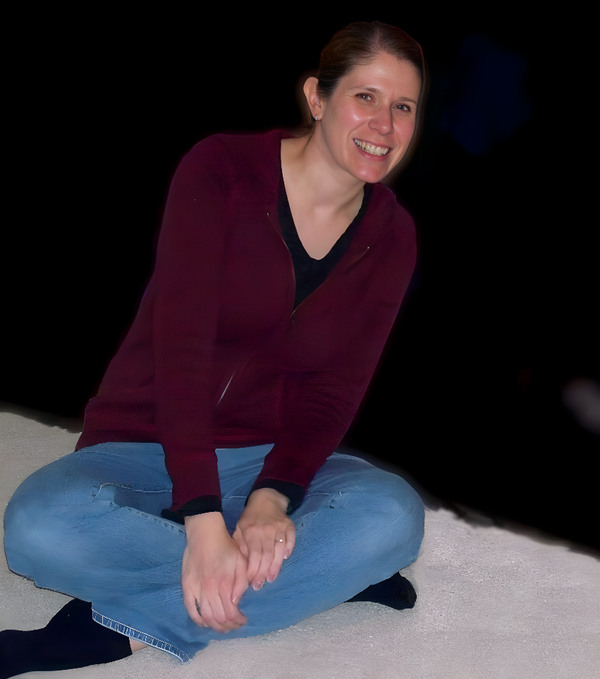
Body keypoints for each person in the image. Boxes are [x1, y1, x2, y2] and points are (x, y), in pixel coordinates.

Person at [1, 20, 427, 676]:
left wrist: (271, 499)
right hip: (145, 445)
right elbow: (181, 352)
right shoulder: (222, 170)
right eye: (365, 97)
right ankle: (319, 576)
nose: (384, 124)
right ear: (317, 97)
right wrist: (202, 518)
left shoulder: (393, 236)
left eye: (403, 106)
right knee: (37, 528)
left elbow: (336, 390)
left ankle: (111, 630)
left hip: (267, 458)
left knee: (394, 517)